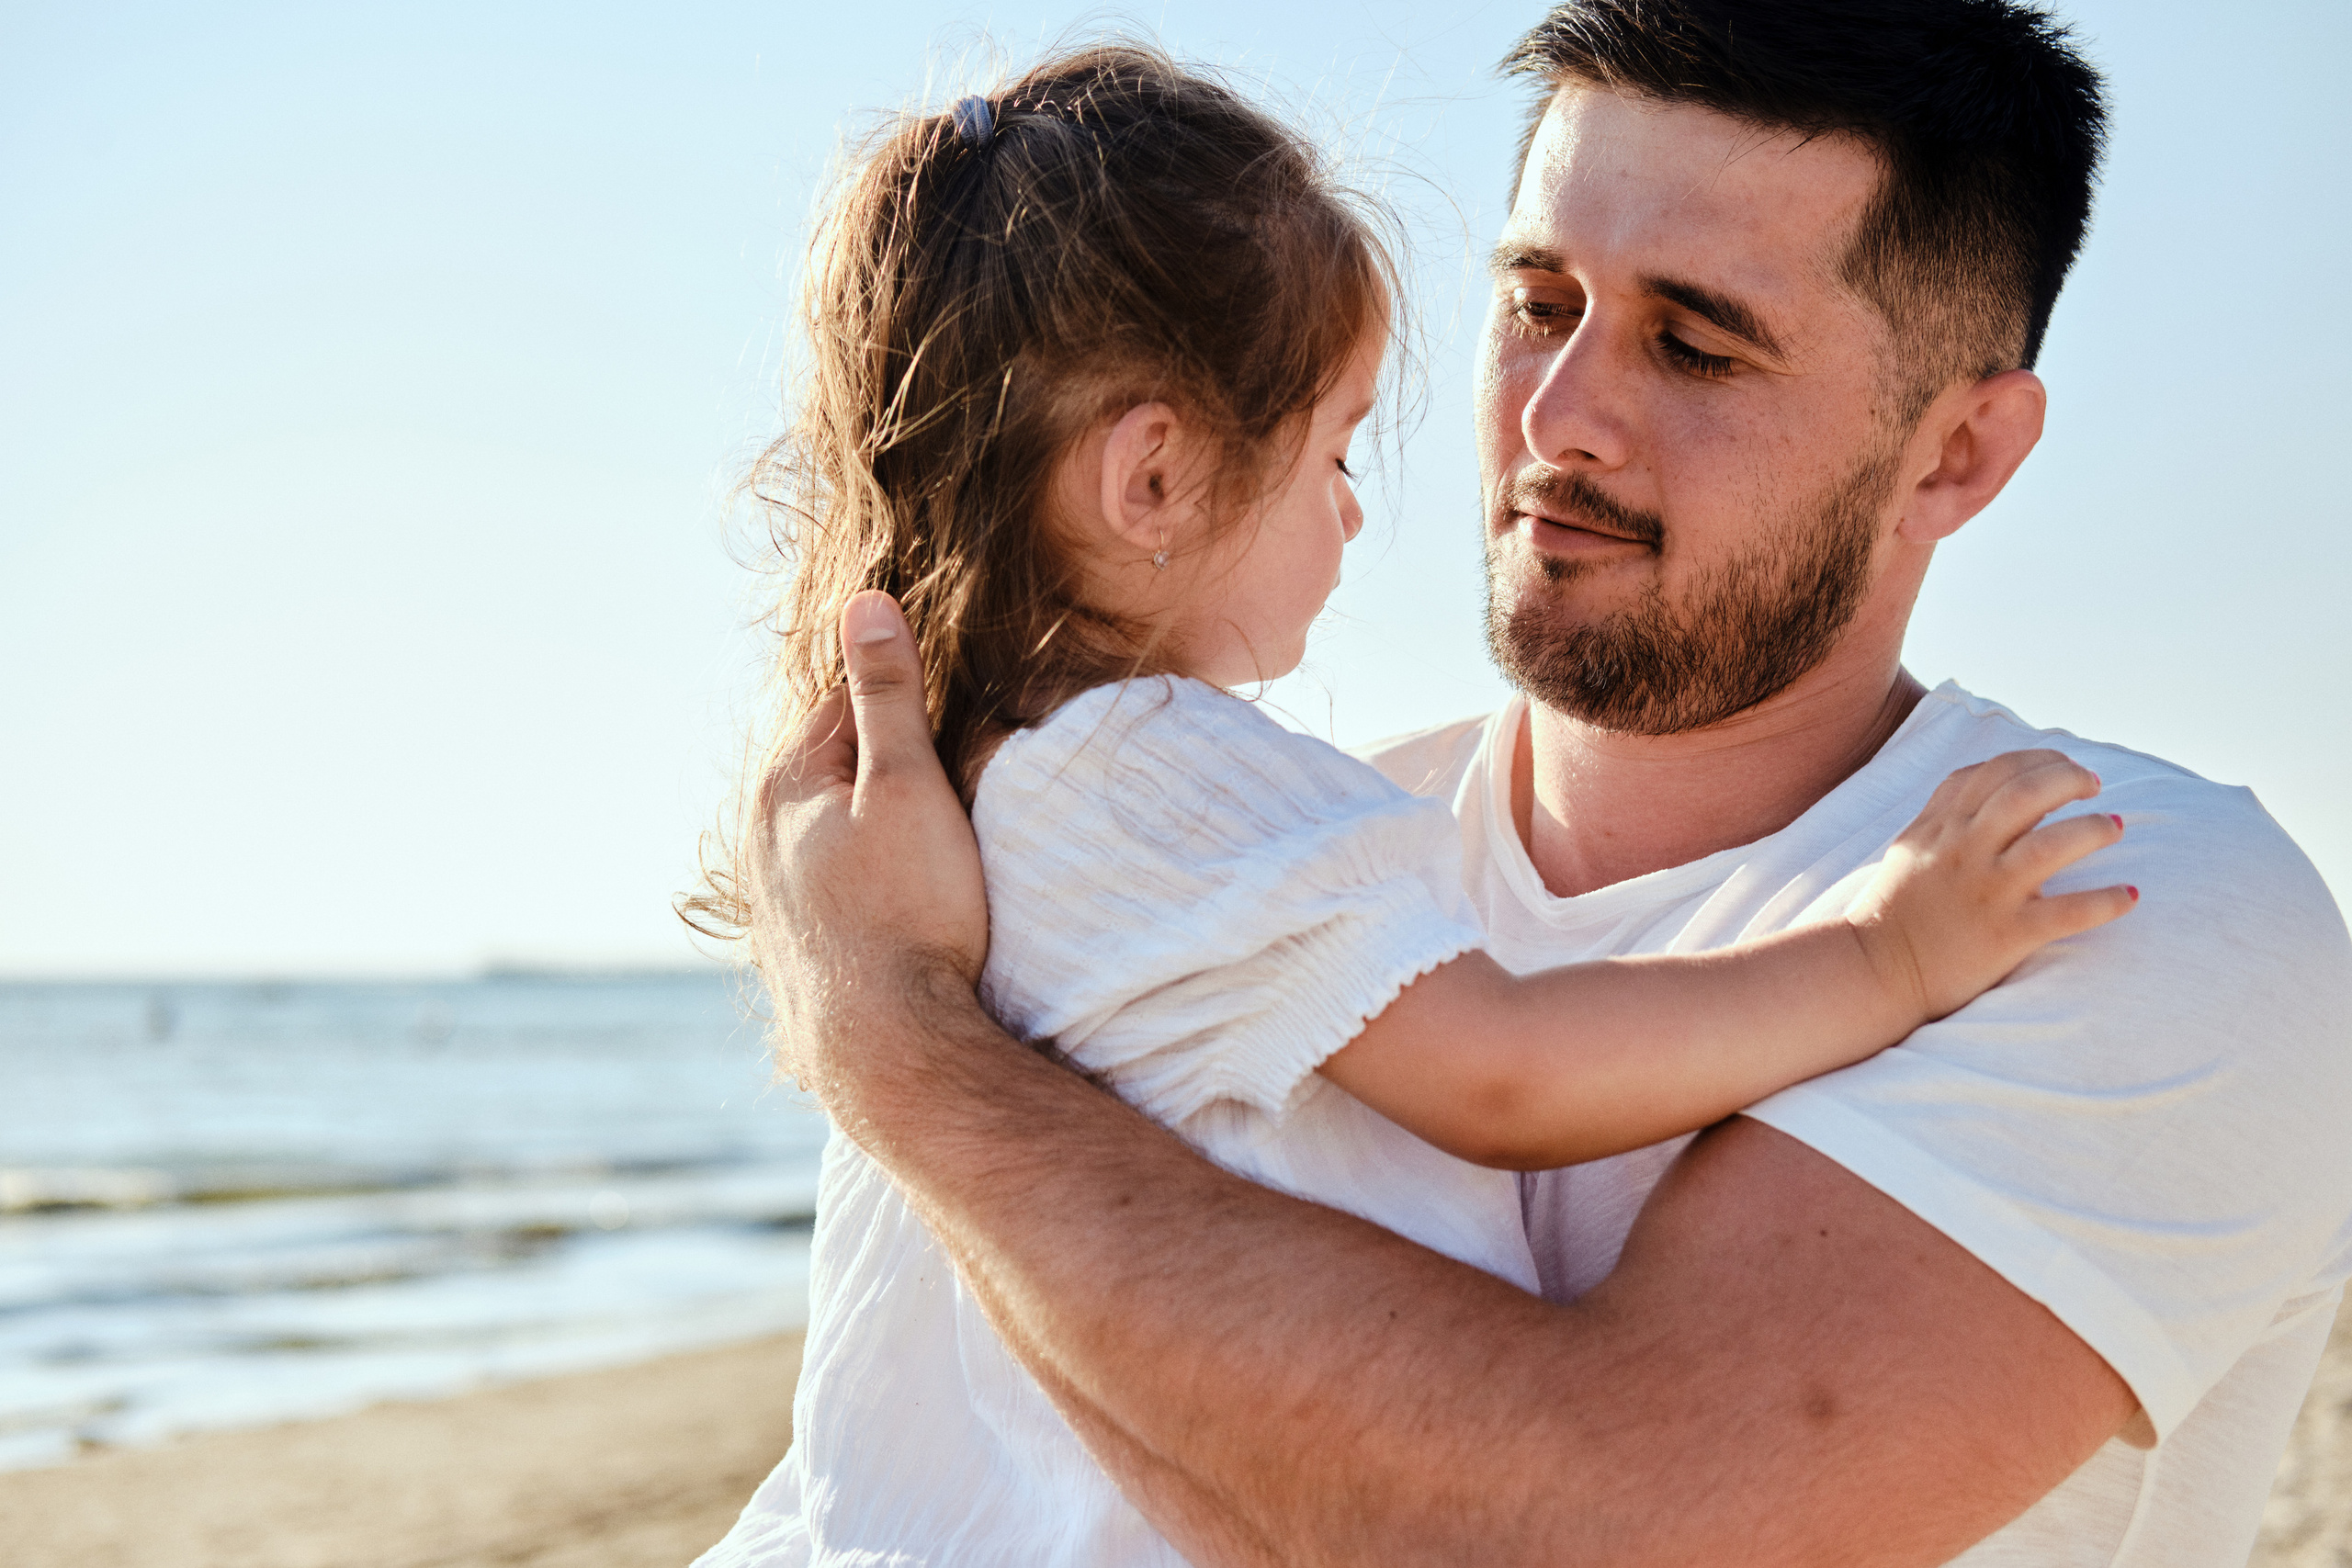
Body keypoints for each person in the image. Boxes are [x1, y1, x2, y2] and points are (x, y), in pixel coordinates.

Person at [738, 3, 2352, 1564]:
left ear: (1959, 457)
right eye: (1535, 300)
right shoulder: (1269, 845)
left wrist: (888, 1039)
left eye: (1696, 344)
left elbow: (1573, 1545)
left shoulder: (2105, 896)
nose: (1555, 421)